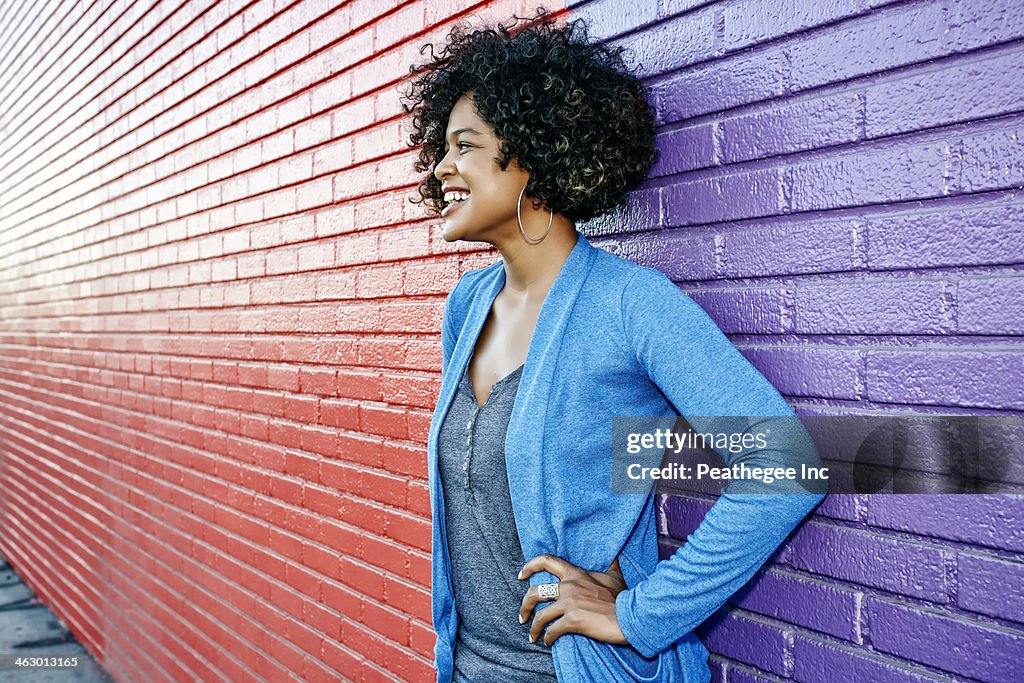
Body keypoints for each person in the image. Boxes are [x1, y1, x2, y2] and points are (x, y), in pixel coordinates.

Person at [401, 8, 827, 682]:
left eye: (464, 146)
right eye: (442, 147)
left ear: (533, 152)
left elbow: (787, 463)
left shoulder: (631, 304)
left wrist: (637, 613)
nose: (440, 169)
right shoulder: (468, 305)